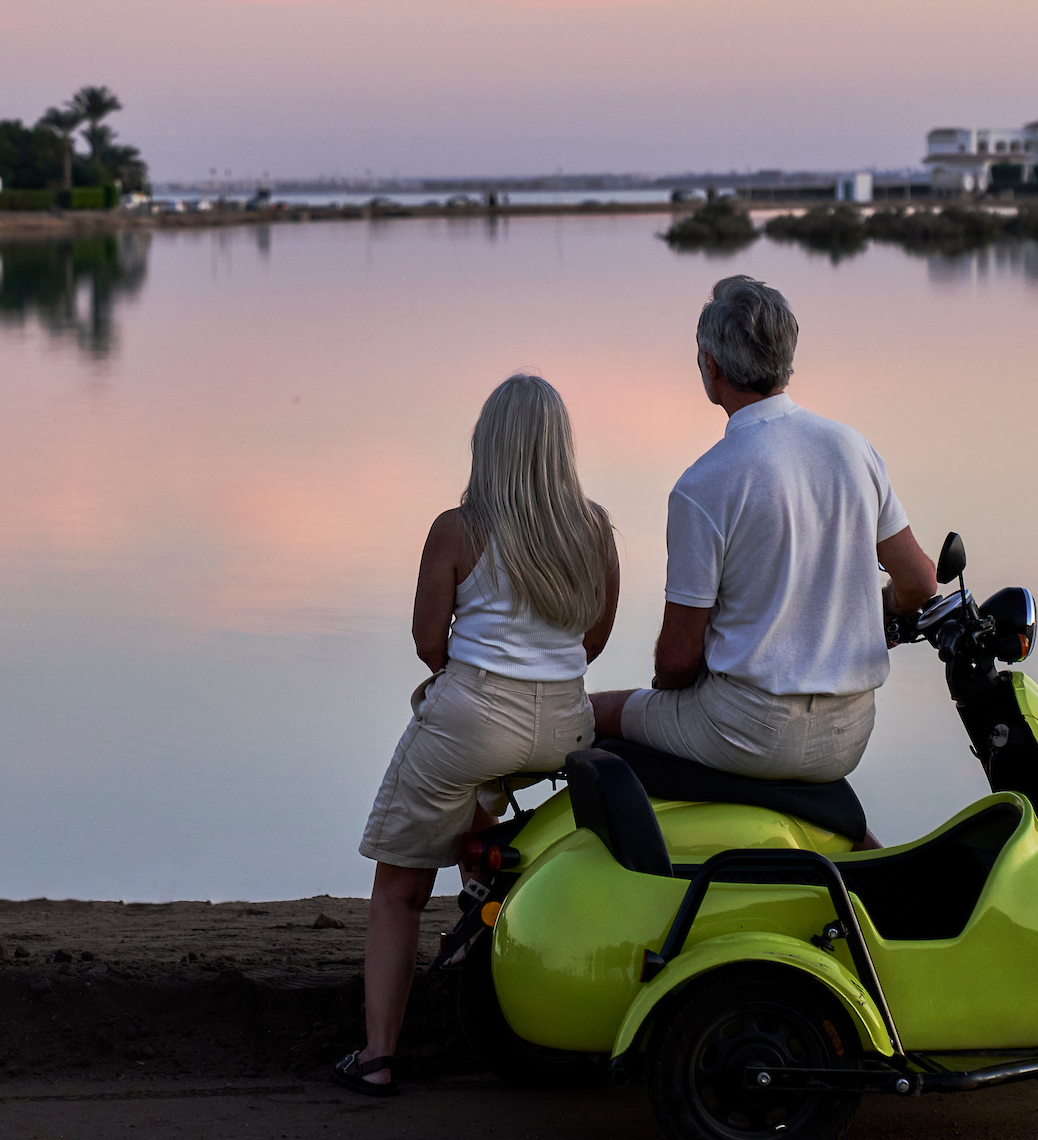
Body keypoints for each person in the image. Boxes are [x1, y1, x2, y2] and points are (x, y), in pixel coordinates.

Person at [333, 374, 620, 1098]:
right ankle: (488, 945)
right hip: (563, 724)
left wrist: (468, 678)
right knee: (488, 822)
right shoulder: (595, 530)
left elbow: (430, 640)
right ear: (561, 447)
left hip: (474, 718)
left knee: (398, 889)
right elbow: (591, 643)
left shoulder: (458, 530)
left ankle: (376, 1056)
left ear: (486, 445)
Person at [592, 275, 935, 820]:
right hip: (848, 734)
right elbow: (920, 582)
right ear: (786, 358)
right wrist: (884, 612)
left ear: (711, 367)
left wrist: (665, 693)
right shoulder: (853, 449)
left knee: (599, 713)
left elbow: (678, 663)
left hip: (747, 731)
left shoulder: (703, 485)